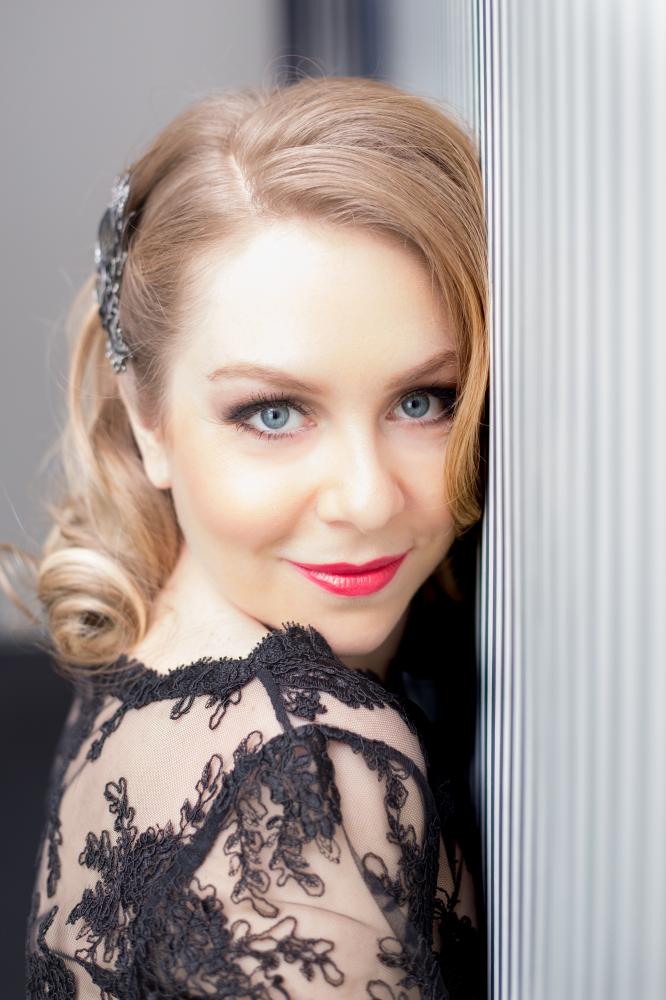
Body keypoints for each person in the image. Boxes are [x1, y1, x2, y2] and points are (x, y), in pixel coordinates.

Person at [4, 75, 489, 998]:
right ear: (148, 421)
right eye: (274, 413)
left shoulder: (158, 638)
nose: (366, 499)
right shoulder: (308, 764)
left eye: (424, 401)